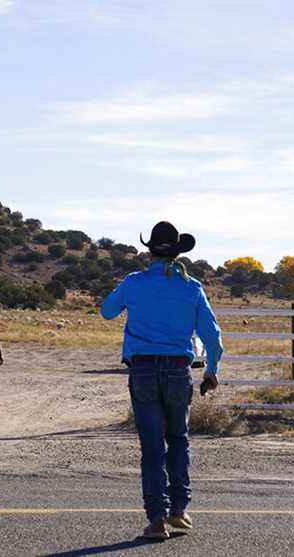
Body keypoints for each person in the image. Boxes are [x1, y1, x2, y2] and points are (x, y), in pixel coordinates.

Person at [100, 221, 223, 540]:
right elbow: (213, 336)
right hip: (177, 369)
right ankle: (179, 511)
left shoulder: (134, 282)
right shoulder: (192, 287)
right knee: (178, 439)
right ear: (177, 252)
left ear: (150, 251)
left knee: (152, 446)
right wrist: (211, 371)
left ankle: (156, 519)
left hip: (143, 369)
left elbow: (107, 312)